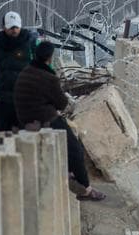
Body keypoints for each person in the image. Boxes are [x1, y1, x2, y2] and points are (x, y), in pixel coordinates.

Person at [13, 41, 107, 201]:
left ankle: (69, 172)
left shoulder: (25, 72)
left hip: (24, 120)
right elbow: (62, 103)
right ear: (49, 58)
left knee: (67, 141)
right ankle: (86, 190)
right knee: (75, 149)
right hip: (44, 120)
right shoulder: (49, 78)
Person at [0, 11, 37, 134]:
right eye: (11, 27)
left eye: (16, 27)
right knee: (2, 134)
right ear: (4, 27)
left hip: (26, 97)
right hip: (4, 97)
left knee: (27, 134)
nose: (14, 30)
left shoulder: (31, 42)